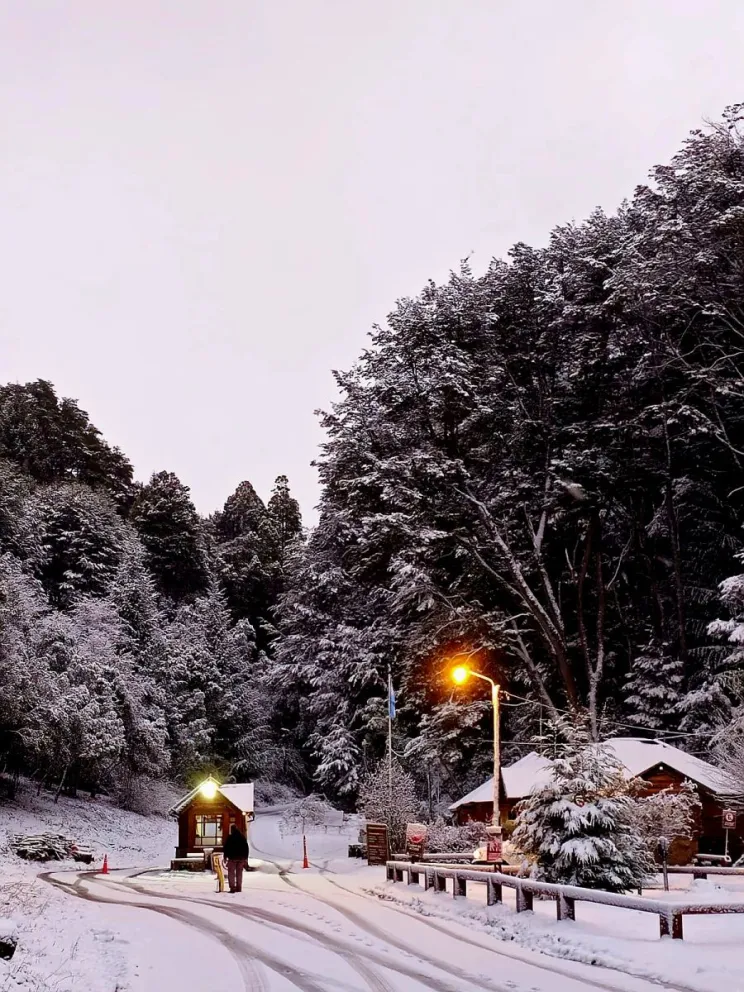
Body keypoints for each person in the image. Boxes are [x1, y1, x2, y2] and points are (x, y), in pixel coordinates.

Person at [223, 824, 249, 893]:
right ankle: (239, 887)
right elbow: (246, 848)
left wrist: (225, 857)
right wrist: (245, 858)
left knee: (231, 873)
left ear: (231, 830)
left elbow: (226, 847)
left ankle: (232, 888)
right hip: (241, 858)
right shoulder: (242, 837)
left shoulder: (230, 837)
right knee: (239, 873)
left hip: (232, 858)